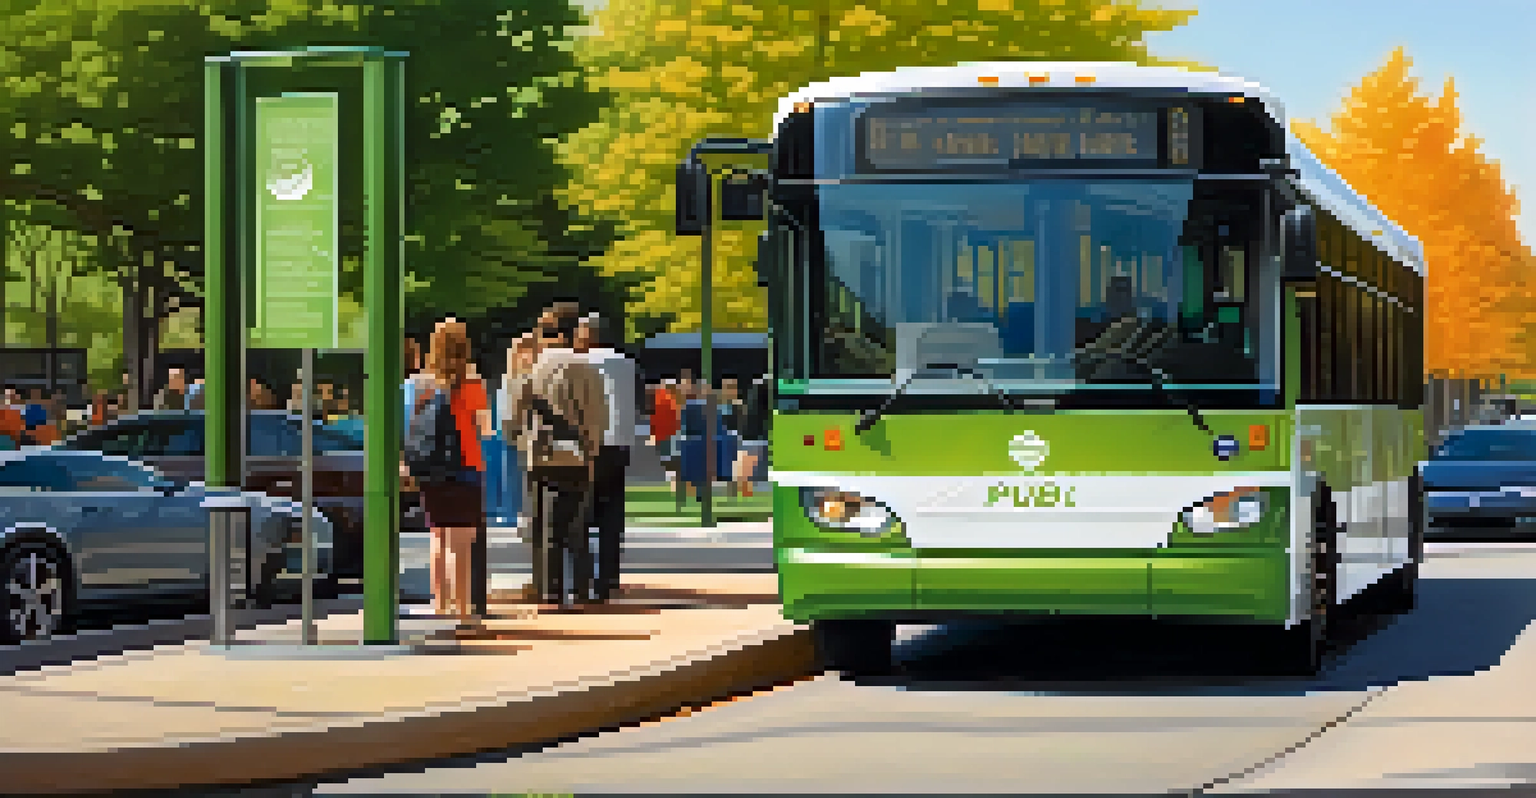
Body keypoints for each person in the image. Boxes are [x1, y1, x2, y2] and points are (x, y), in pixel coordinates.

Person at [505, 303, 607, 606]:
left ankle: (548, 589)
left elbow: (513, 414)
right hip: (575, 454)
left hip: (539, 453)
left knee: (542, 525)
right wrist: (591, 448)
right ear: (572, 333)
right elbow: (595, 413)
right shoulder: (585, 367)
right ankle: (581, 588)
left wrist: (520, 441)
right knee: (576, 523)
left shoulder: (532, 367)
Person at [412, 318, 492, 621]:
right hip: (466, 466)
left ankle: (440, 605)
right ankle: (463, 609)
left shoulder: (422, 383)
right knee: (462, 542)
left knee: (438, 536)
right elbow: (485, 430)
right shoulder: (473, 384)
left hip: (431, 468)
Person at [574, 312, 636, 602]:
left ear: (588, 334)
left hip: (593, 443)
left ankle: (583, 578)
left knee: (583, 513)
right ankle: (609, 578)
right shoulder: (626, 364)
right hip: (621, 443)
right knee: (612, 515)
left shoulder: (583, 363)